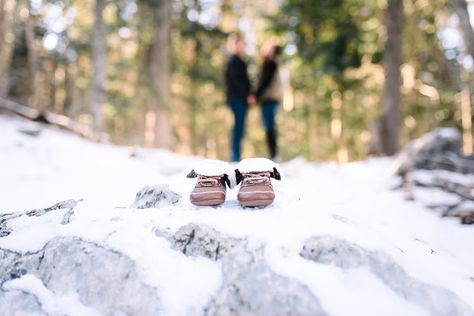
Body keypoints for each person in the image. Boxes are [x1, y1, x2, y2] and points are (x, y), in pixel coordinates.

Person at [224, 34, 254, 162]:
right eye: (240, 44)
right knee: (238, 127)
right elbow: (237, 82)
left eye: (243, 45)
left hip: (240, 100)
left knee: (240, 128)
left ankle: (236, 154)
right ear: (235, 46)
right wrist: (247, 95)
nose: (242, 47)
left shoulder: (240, 62)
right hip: (237, 100)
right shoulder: (234, 62)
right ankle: (235, 156)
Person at [256, 43, 282, 160]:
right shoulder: (268, 63)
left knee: (270, 127)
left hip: (270, 99)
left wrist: (255, 96)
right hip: (268, 100)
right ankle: (273, 154)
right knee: (269, 127)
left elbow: (265, 82)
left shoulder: (271, 63)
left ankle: (273, 154)